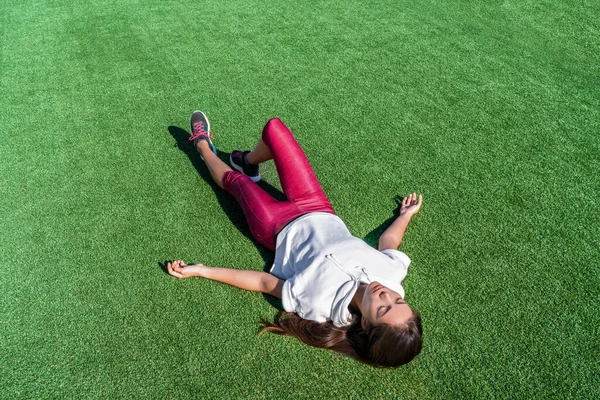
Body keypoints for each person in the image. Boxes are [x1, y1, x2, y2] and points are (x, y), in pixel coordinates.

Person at [167, 111, 423, 367]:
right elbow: (388, 244)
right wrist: (405, 216)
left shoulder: (318, 303)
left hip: (274, 226)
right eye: (398, 300)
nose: (387, 295)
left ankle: (202, 146)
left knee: (236, 182)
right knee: (274, 128)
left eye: (383, 308)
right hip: (318, 206)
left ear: (366, 324)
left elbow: (264, 282)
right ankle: (247, 161)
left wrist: (202, 270)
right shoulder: (392, 274)